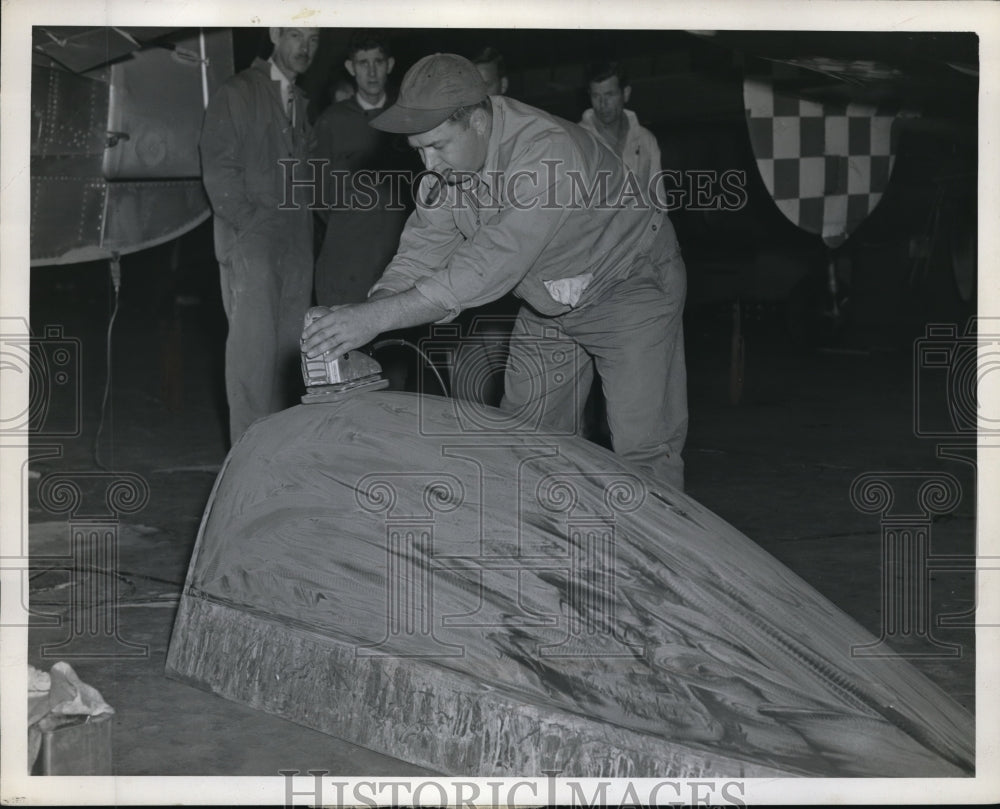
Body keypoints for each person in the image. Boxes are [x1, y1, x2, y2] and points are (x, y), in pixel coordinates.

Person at [302, 53, 688, 490]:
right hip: (549, 301)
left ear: (479, 122)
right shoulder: (447, 171)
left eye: (438, 146)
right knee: (526, 439)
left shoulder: (546, 153)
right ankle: (545, 548)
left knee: (642, 455)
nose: (429, 166)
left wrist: (373, 319)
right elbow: (420, 252)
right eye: (419, 150)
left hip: (629, 283)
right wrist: (369, 315)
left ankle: (647, 559)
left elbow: (486, 267)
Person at [200, 27, 320, 446]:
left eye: (314, 39)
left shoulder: (300, 103)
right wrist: (252, 228)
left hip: (297, 247)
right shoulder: (238, 91)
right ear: (273, 34)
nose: (305, 47)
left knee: (288, 367)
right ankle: (246, 479)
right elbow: (219, 170)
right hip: (254, 246)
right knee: (251, 368)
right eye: (296, 35)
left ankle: (277, 475)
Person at [579, 61, 661, 189]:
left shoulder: (647, 140)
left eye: (609, 95)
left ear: (626, 93)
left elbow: (658, 202)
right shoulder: (578, 140)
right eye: (596, 96)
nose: (602, 104)